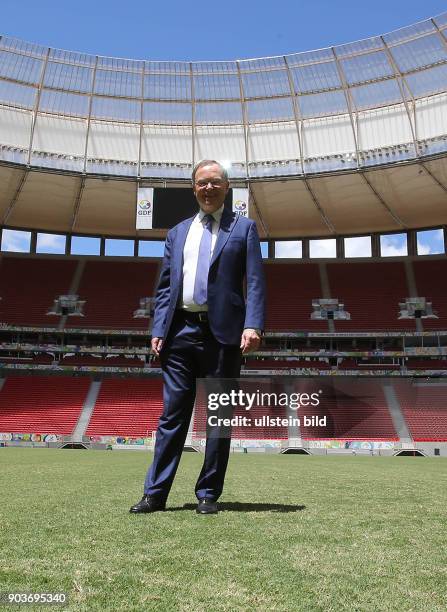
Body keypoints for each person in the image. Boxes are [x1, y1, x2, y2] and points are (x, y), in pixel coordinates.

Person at [130, 160, 265, 515]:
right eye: (202, 183)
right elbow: (165, 288)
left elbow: (254, 281)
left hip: (225, 335)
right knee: (172, 415)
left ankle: (208, 494)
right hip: (180, 332)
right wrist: (158, 328)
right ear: (194, 188)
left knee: (218, 417)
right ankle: (155, 494)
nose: (209, 188)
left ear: (226, 187)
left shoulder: (245, 228)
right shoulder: (177, 232)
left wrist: (253, 325)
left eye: (215, 182)